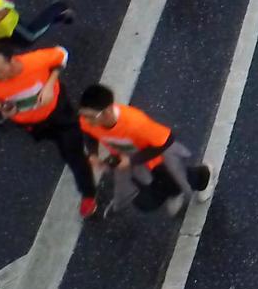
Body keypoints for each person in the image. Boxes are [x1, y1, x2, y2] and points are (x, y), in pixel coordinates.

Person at [0, 40, 97, 211]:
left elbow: (62, 55)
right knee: (57, 144)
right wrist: (1, 107)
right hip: (31, 125)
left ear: (12, 60)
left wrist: (49, 84)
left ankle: (88, 195)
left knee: (73, 156)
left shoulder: (36, 61)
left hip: (59, 116)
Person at [77, 83, 213, 215]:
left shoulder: (136, 123)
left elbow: (167, 140)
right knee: (145, 200)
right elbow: (89, 133)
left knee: (151, 198)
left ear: (106, 112)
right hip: (132, 163)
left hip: (155, 161)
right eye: (83, 115)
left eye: (90, 116)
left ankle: (204, 176)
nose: (86, 120)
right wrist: (93, 154)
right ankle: (174, 189)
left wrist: (131, 160)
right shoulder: (90, 121)